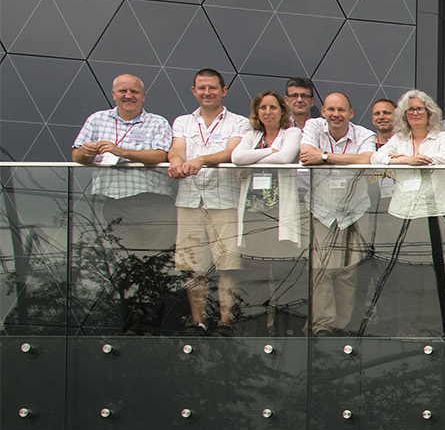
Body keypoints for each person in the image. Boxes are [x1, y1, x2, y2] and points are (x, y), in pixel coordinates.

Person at [71, 73, 174, 334]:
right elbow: (76, 154)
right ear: (113, 93)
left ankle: (153, 325)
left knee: (156, 267)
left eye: (134, 92)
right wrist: (87, 153)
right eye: (123, 91)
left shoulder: (156, 122)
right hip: (116, 205)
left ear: (143, 96)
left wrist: (120, 151)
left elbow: (160, 155)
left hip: (153, 204)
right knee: (125, 267)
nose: (128, 96)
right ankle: (131, 324)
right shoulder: (97, 119)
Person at [371, 90, 445, 336]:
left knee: (435, 272)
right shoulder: (398, 138)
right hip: (404, 212)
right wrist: (407, 161)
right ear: (404, 115)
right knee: (408, 272)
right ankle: (408, 326)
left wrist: (403, 159)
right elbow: (377, 159)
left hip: (434, 211)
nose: (415, 113)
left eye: (420, 109)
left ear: (429, 112)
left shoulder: (443, 137)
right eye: (410, 110)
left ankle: (437, 327)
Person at [166, 69, 246, 333]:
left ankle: (226, 322)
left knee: (227, 265)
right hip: (189, 201)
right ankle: (198, 321)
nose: (207, 92)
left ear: (224, 91)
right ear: (193, 91)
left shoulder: (239, 122)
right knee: (192, 266)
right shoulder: (182, 122)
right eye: (202, 88)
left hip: (224, 201)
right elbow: (176, 149)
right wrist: (176, 163)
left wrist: (200, 160)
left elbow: (232, 152)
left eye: (212, 88)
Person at [298, 93, 376, 336]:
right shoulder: (313, 126)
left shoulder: (365, 134)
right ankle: (322, 325)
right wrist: (344, 160)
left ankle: (341, 326)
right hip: (320, 210)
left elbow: (366, 160)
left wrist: (323, 157)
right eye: (331, 109)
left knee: (347, 273)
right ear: (323, 111)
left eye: (341, 110)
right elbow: (305, 153)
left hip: (354, 211)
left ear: (351, 113)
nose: (336, 114)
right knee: (320, 271)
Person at [232, 90, 308, 335]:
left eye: (273, 107)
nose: (268, 112)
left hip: (279, 215)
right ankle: (259, 327)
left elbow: (286, 158)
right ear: (257, 112)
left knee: (284, 273)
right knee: (258, 274)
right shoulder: (250, 135)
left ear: (282, 110)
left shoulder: (292, 132)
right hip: (254, 215)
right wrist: (269, 153)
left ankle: (286, 328)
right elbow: (236, 157)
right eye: (263, 108)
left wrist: (252, 161)